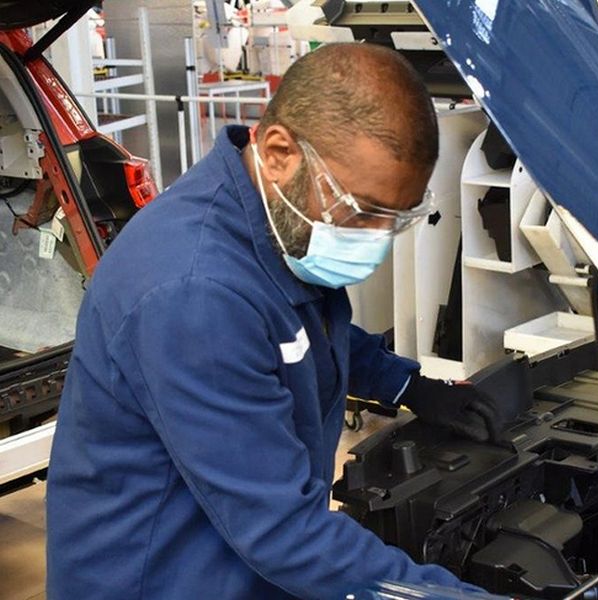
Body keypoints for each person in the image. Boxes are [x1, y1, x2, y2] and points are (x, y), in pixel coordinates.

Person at [46, 43, 502, 599]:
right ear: (281, 151)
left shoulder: (277, 221)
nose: (375, 240)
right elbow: (285, 534)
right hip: (163, 578)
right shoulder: (194, 295)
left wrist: (407, 384)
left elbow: (304, 333)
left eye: (395, 219)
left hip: (240, 556)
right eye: (362, 211)